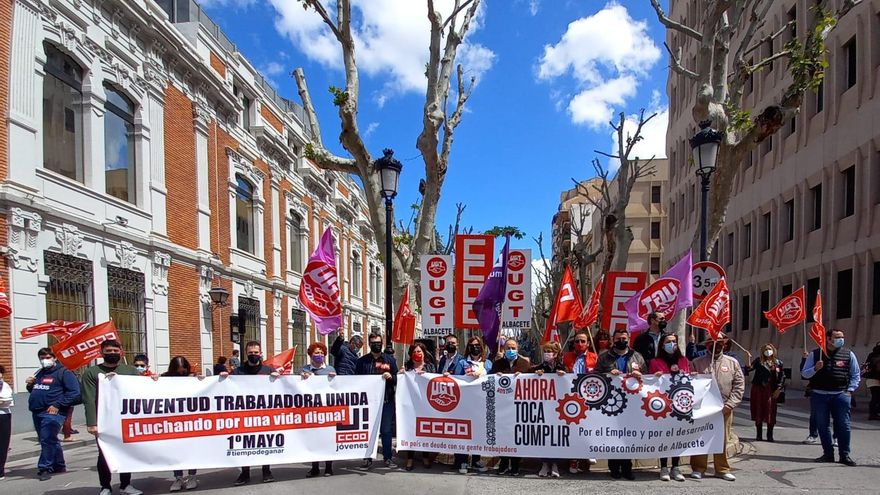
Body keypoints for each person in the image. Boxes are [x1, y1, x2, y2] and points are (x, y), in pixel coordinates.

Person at [80, 340, 142, 495]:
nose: (112, 353)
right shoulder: (91, 373)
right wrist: (92, 423)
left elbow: (142, 390)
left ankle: (125, 485)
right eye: (108, 351)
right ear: (101, 353)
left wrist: (154, 380)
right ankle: (105, 486)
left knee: (126, 451)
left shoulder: (131, 370)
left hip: (126, 418)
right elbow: (89, 398)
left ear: (121, 352)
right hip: (104, 420)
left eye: (115, 350)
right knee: (104, 454)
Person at [222, 340, 279, 484]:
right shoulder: (237, 372)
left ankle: (266, 471)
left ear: (261, 354)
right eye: (250, 353)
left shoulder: (268, 371)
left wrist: (280, 378)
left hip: (264, 415)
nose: (253, 355)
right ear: (246, 354)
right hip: (244, 416)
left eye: (256, 353)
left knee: (265, 442)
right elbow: (227, 388)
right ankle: (245, 473)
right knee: (245, 444)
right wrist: (221, 379)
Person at [801, 328, 860, 466]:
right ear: (827, 339)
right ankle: (828, 454)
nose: (841, 339)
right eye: (837, 337)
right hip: (820, 395)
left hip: (841, 395)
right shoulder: (816, 354)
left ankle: (844, 455)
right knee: (822, 425)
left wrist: (850, 390)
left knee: (844, 425)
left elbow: (855, 374)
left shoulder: (848, 354)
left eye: (842, 337)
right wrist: (815, 368)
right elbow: (805, 374)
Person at [690, 333, 744, 481]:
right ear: (707, 345)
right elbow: (689, 385)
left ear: (724, 344)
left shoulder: (732, 363)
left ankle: (722, 469)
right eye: (712, 342)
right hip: (703, 410)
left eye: (720, 342)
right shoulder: (697, 362)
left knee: (723, 439)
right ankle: (698, 468)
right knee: (701, 437)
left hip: (724, 408)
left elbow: (739, 386)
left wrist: (730, 404)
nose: (716, 345)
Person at [595, 328, 646, 481]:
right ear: (613, 339)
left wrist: (640, 375)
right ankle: (614, 468)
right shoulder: (605, 357)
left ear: (628, 339)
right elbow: (596, 375)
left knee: (628, 435)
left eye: (624, 338)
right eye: (618, 339)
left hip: (632, 402)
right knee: (613, 434)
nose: (621, 341)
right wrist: (608, 374)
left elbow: (648, 376)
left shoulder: (637, 356)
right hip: (612, 401)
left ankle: (627, 467)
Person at [26, 347, 79, 482]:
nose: (45, 360)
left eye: (48, 357)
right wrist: (30, 385)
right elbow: (38, 389)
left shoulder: (64, 372)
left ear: (54, 358)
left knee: (47, 438)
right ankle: (59, 465)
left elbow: (74, 392)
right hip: (37, 411)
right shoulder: (40, 373)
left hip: (53, 412)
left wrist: (57, 404)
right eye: (42, 358)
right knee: (49, 439)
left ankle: (45, 467)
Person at [154, 356, 202, 491]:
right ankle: (178, 478)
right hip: (172, 421)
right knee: (175, 450)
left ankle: (192, 476)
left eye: (183, 370)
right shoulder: (164, 378)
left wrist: (202, 381)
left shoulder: (193, 379)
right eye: (178, 370)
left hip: (190, 420)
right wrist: (154, 380)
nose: (181, 372)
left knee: (191, 450)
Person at [649, 333, 690, 482]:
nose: (671, 344)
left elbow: (688, 378)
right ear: (662, 345)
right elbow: (649, 383)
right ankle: (664, 467)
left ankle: (675, 467)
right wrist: (656, 376)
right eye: (668, 342)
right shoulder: (655, 361)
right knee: (664, 437)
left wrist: (693, 377)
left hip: (679, 404)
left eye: (674, 342)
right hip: (662, 405)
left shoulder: (683, 360)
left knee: (677, 435)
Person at [356, 333, 398, 469]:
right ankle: (367, 458)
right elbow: (354, 381)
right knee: (368, 430)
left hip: (387, 401)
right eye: (374, 343)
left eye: (379, 343)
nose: (376, 345)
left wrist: (391, 376)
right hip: (368, 403)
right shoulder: (362, 361)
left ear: (382, 343)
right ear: (369, 344)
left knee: (386, 430)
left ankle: (387, 458)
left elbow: (398, 378)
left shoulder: (390, 360)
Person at [453, 336, 492, 474]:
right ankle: (462, 460)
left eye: (477, 345)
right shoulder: (462, 363)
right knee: (463, 432)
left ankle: (476, 460)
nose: (475, 347)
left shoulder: (488, 364)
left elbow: (493, 380)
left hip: (481, 403)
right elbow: (455, 380)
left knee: (478, 432)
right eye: (472, 345)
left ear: (481, 347)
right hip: (465, 403)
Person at [491, 339, 530, 476]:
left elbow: (533, 379)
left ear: (517, 348)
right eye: (508, 347)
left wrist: (526, 376)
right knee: (503, 433)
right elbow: (489, 379)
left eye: (513, 347)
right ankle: (504, 461)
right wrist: (495, 377)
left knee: (517, 434)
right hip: (502, 404)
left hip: (518, 405)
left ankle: (515, 463)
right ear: (504, 348)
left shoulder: (525, 363)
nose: (511, 350)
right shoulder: (498, 364)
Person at [530, 341, 567, 478]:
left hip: (559, 408)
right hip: (543, 407)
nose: (547, 354)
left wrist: (565, 375)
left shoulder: (562, 367)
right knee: (543, 435)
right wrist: (535, 374)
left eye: (550, 351)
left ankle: (555, 464)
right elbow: (526, 377)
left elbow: (571, 380)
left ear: (556, 353)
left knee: (556, 435)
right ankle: (545, 463)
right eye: (545, 351)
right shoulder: (539, 367)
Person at [302, 342, 337, 477]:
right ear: (311, 355)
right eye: (316, 353)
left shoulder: (330, 369)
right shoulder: (305, 370)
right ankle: (314, 467)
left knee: (328, 438)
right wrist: (303, 378)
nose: (319, 355)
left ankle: (328, 467)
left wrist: (335, 379)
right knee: (313, 439)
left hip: (327, 410)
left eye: (322, 353)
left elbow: (337, 388)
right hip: (311, 411)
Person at [400, 343, 436, 471]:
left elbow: (436, 381)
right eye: (415, 351)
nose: (417, 353)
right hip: (410, 404)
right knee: (411, 430)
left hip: (426, 404)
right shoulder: (407, 367)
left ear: (424, 353)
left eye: (420, 351)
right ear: (410, 354)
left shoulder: (430, 367)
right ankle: (410, 458)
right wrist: (400, 375)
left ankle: (425, 456)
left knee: (425, 429)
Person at [745, 343, 785, 442]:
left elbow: (782, 376)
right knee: (758, 410)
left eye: (769, 349)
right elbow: (748, 369)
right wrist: (748, 359)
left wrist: (779, 388)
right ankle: (759, 435)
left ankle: (770, 435)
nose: (768, 351)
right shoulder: (759, 361)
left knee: (770, 411)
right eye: (766, 349)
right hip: (759, 388)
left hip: (771, 390)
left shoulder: (778, 363)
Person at [0, 364, 14, 480]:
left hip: (2, 416)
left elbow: (6, 401)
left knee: (2, 444)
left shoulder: (4, 386)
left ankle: (0, 470)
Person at [863, 341, 880, 421]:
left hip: (871, 379)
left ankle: (873, 414)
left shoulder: (871, 354)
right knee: (876, 397)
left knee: (875, 396)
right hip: (876, 378)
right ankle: (874, 414)